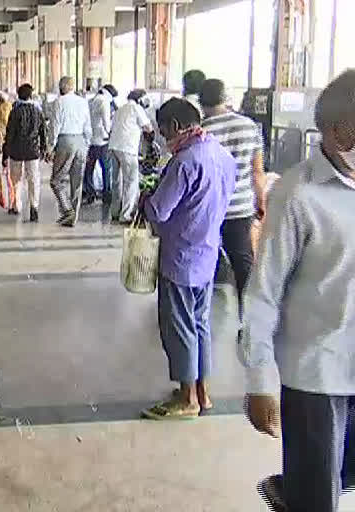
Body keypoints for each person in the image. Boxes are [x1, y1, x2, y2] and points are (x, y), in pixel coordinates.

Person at [241, 70, 355, 512]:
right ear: (333, 131)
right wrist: (260, 381)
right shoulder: (297, 194)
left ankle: (295, 486)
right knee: (317, 499)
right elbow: (263, 291)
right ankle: (302, 491)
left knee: (340, 473)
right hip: (315, 373)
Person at [140, 98, 236, 420]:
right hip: (208, 252)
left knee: (179, 326)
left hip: (180, 255)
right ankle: (202, 391)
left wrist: (145, 201)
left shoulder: (184, 162)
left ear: (177, 127)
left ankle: (186, 398)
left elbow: (160, 210)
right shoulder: (221, 155)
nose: (163, 137)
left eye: (164, 129)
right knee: (200, 324)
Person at [200, 78, 266, 320]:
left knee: (204, 260)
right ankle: (249, 319)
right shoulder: (249, 126)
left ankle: (200, 315)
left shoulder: (200, 128)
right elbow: (257, 171)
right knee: (243, 262)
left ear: (201, 101)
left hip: (208, 208)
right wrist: (261, 204)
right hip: (240, 207)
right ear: (225, 97)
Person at [48, 76, 92, 227]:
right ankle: (73, 216)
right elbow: (88, 126)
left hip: (65, 141)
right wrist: (87, 145)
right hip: (81, 141)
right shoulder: (83, 102)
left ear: (61, 87)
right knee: (77, 182)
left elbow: (55, 125)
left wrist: (50, 146)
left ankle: (67, 210)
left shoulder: (58, 102)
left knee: (56, 180)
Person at [2, 83, 47, 222]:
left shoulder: (15, 112)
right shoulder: (37, 111)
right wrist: (43, 148)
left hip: (16, 151)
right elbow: (43, 132)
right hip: (33, 151)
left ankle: (16, 205)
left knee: (16, 179)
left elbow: (9, 134)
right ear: (31, 96)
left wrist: (5, 153)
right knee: (33, 180)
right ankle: (34, 207)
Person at [107, 89, 153, 224]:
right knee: (131, 181)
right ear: (140, 99)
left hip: (114, 146)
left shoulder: (120, 108)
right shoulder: (136, 108)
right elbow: (148, 128)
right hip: (127, 148)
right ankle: (126, 215)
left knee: (116, 182)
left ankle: (114, 212)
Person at [83, 84, 115, 206]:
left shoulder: (91, 100)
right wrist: (110, 133)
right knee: (106, 169)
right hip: (102, 140)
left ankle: (90, 193)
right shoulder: (104, 102)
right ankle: (107, 195)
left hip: (91, 140)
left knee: (89, 169)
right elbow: (106, 122)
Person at [0, 92, 13, 156]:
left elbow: (11, 113)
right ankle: (1, 150)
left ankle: (5, 150)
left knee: (6, 138)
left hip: (6, 124)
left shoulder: (8, 104)